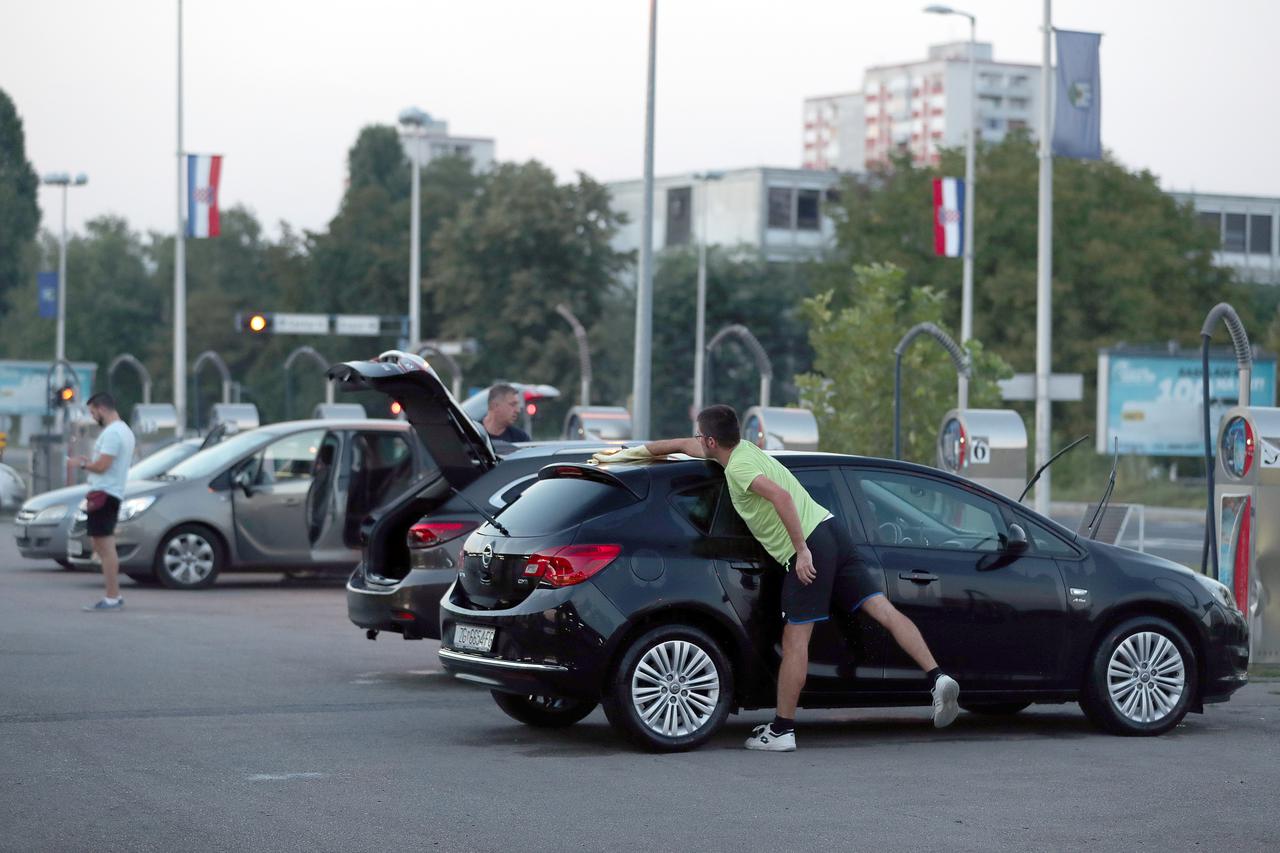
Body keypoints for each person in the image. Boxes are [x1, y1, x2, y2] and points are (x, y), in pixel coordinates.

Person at [592, 404, 960, 752]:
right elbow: (676, 444)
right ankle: (938, 677)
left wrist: (801, 551)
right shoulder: (744, 448)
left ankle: (782, 730)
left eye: (699, 436)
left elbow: (781, 498)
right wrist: (628, 453)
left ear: (710, 441)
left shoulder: (738, 469)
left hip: (809, 543)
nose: (696, 440)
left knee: (796, 639)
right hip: (831, 529)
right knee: (881, 609)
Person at [73, 393, 136, 612]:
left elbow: (102, 466)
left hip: (105, 493)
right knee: (101, 545)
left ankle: (112, 596)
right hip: (109, 492)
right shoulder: (124, 431)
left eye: (92, 412)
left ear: (101, 408)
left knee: (105, 547)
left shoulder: (112, 433)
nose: (93, 417)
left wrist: (81, 464)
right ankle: (112, 595)